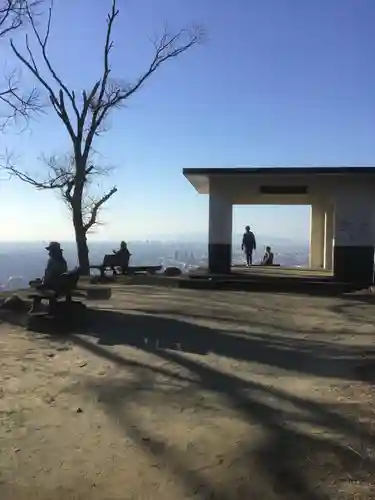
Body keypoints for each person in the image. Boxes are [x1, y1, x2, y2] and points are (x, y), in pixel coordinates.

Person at [29, 241, 68, 312]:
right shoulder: (62, 262)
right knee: (36, 284)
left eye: (51, 251)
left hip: (53, 287)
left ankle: (36, 307)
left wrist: (42, 283)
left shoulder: (53, 262)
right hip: (59, 286)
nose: (49, 253)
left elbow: (49, 277)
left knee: (34, 286)